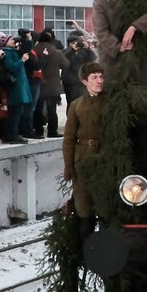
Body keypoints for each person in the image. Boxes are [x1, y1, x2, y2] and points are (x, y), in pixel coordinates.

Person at [62, 62, 107, 241]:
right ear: (84, 81)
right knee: (83, 209)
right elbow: (69, 138)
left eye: (101, 76)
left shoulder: (110, 102)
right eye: (94, 77)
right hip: (83, 161)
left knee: (104, 208)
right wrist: (68, 165)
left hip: (105, 160)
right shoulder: (77, 105)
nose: (99, 81)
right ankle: (85, 250)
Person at [0, 35, 32, 143]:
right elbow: (12, 67)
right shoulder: (7, 53)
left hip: (19, 85)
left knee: (17, 111)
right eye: (11, 39)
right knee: (15, 112)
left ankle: (10, 134)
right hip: (15, 86)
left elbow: (26, 48)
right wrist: (22, 60)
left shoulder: (12, 51)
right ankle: (12, 134)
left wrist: (28, 39)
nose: (13, 41)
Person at [36, 33, 70, 137]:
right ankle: (52, 131)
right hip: (52, 85)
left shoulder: (34, 50)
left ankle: (38, 131)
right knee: (52, 110)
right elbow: (66, 65)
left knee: (38, 109)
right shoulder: (56, 52)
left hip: (37, 83)